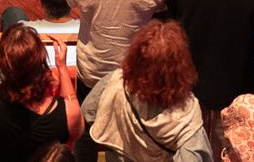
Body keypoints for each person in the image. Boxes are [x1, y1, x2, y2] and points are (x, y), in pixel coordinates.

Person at [82, 21, 210, 162]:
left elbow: (87, 112)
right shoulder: (186, 117)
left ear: (135, 56)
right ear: (181, 66)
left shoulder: (114, 82)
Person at [0, 24, 82, 162]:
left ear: (2, 65)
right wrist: (62, 67)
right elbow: (77, 128)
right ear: (42, 64)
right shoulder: (64, 114)